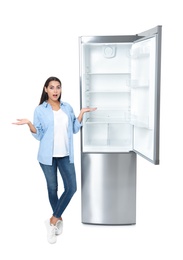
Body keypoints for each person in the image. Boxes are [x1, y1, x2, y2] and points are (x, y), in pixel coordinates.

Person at [13, 76, 96, 244]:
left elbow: (74, 129)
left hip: (65, 155)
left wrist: (81, 113)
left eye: (58, 87)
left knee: (71, 188)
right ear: (46, 89)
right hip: (47, 157)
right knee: (53, 189)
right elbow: (39, 135)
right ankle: (58, 220)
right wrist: (29, 123)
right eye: (52, 87)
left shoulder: (67, 107)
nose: (55, 90)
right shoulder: (40, 110)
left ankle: (52, 220)